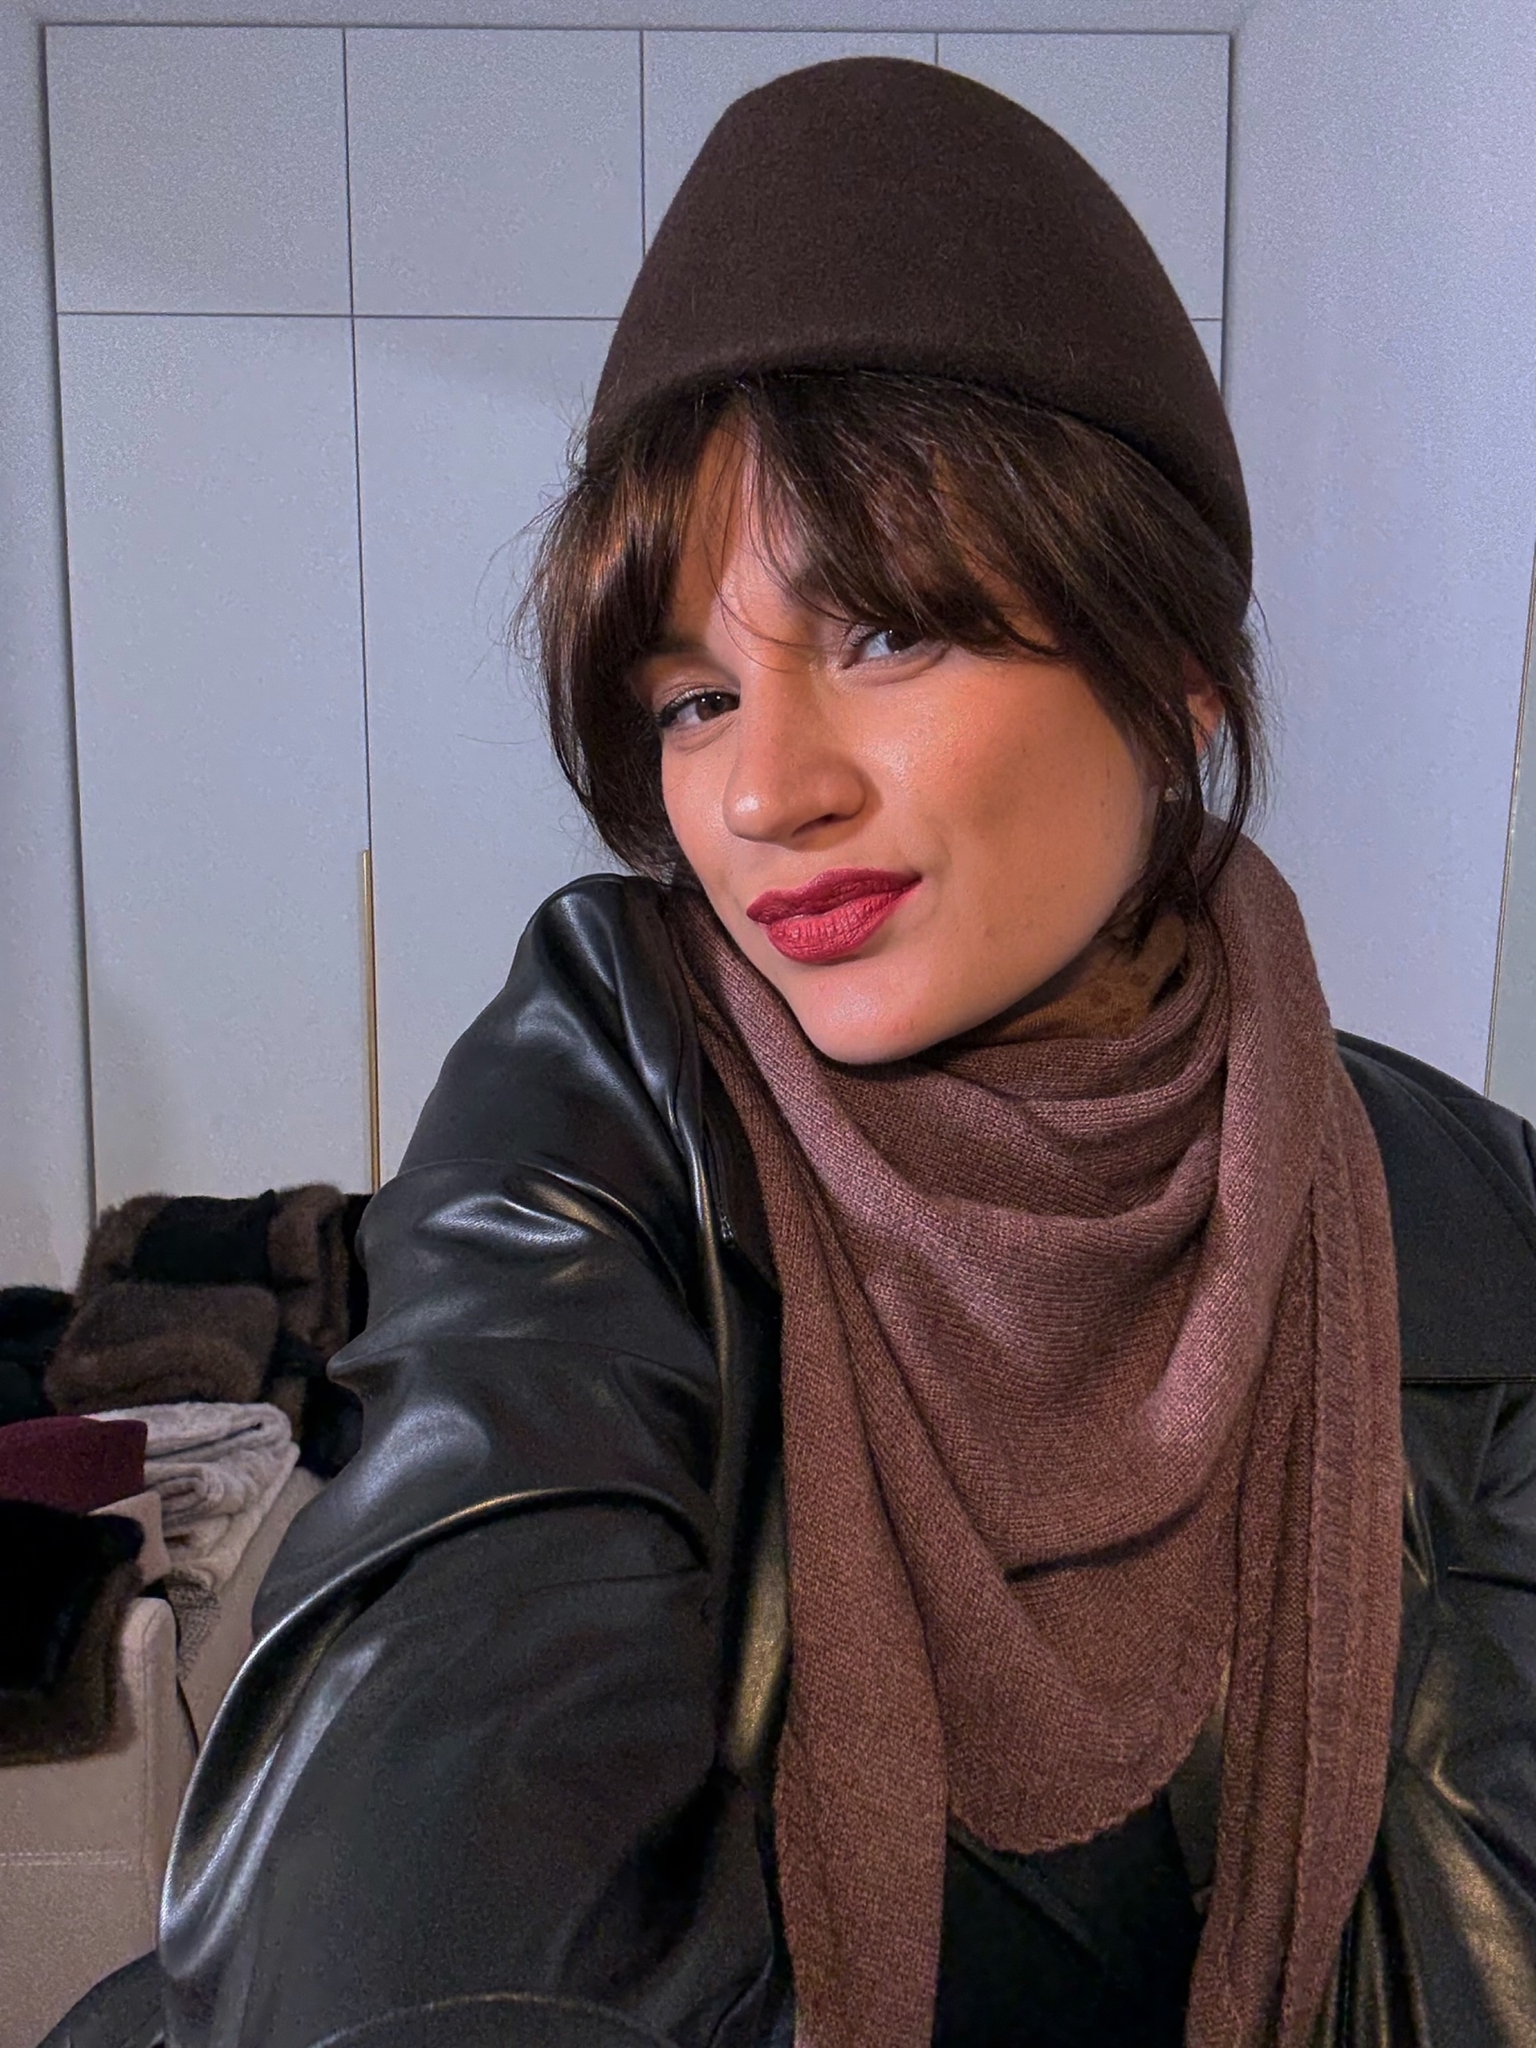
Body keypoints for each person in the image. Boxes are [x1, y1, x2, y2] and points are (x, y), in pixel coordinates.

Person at [56, 56, 1536, 2048]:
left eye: (886, 635)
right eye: (689, 698)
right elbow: (426, 1778)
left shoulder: (1467, 1228)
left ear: (1172, 670)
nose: (761, 794)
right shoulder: (615, 1087)